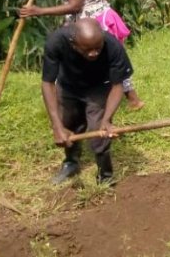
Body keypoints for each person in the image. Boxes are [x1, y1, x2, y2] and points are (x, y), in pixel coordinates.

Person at [19, 0, 144, 111]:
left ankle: (75, 102)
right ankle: (132, 99)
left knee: (97, 61)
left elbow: (74, 5)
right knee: (112, 60)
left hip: (89, 24)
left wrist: (39, 11)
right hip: (103, 15)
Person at [41, 18, 132, 185]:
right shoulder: (56, 42)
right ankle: (71, 163)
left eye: (98, 48)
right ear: (74, 45)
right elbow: (47, 83)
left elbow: (118, 86)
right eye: (87, 49)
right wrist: (57, 126)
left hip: (99, 88)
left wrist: (106, 119)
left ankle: (105, 175)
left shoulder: (113, 46)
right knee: (69, 125)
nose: (94, 53)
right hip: (68, 86)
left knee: (99, 131)